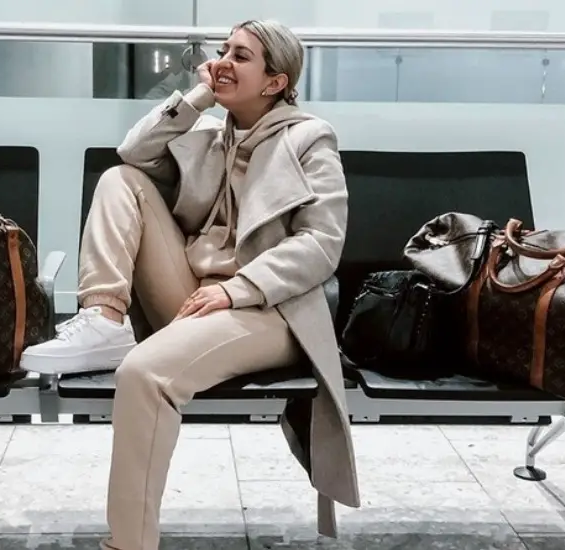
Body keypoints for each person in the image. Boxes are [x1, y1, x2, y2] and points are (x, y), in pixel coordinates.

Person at [21, 19, 360, 550]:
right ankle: (105, 318)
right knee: (120, 180)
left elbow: (321, 245)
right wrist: (201, 95)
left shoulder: (309, 139)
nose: (223, 60)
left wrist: (237, 288)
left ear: (275, 81)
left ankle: (129, 543)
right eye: (222, 50)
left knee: (143, 373)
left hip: (268, 310)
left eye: (241, 56)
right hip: (194, 292)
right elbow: (132, 153)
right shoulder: (207, 134)